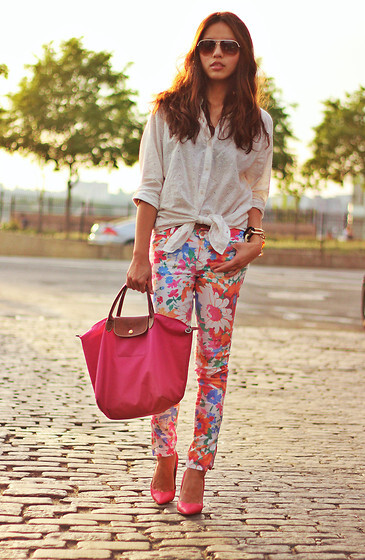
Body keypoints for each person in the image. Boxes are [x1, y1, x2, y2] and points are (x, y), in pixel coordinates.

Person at [126, 11, 273, 515]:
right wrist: (141, 255)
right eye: (209, 45)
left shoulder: (258, 122)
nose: (217, 54)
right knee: (164, 359)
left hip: (225, 249)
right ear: (196, 52)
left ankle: (197, 466)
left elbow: (257, 189)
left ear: (242, 55)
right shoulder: (167, 113)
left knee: (214, 363)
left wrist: (255, 241)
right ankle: (163, 454)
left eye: (228, 47)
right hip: (170, 244)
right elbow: (149, 188)